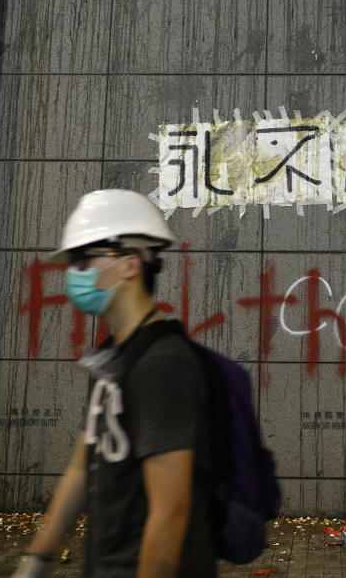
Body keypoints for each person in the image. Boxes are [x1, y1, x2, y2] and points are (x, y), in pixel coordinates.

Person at [11, 189, 216, 578]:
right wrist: (36, 559)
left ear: (130, 264)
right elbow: (83, 465)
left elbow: (170, 511)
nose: (75, 273)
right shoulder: (114, 357)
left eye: (86, 259)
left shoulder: (162, 365)